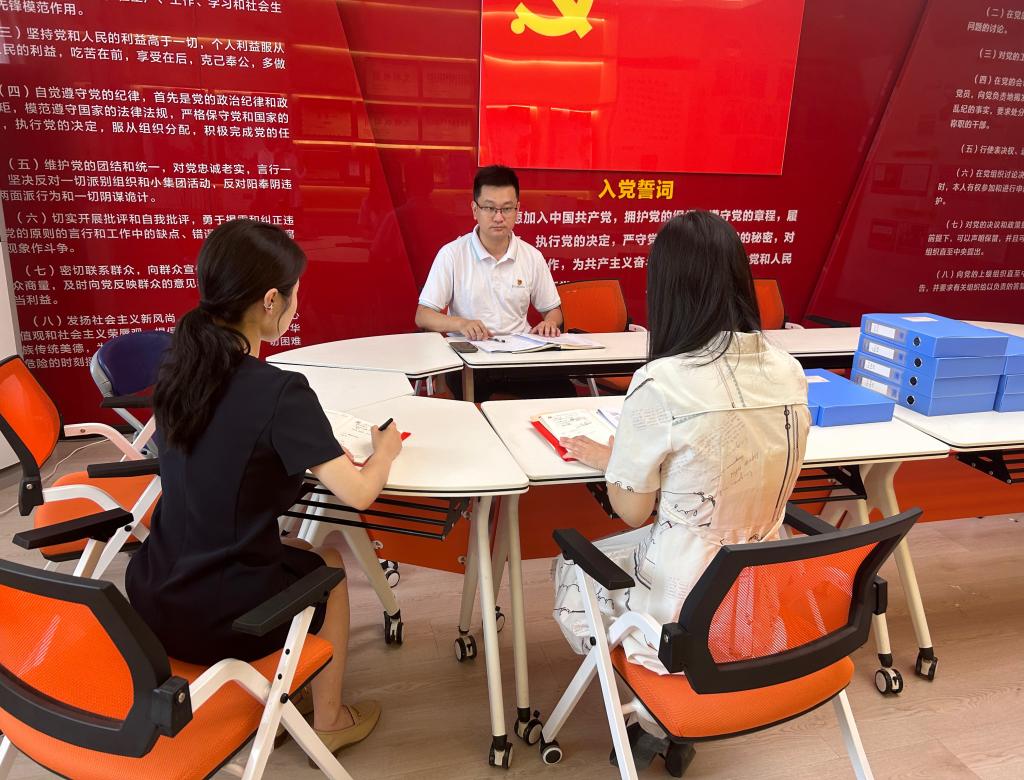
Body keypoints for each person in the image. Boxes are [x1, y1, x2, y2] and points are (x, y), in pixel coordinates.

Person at [126, 219, 402, 755]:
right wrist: (385, 451)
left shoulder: (179, 366)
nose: (297, 305)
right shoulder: (280, 391)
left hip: (154, 595)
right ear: (270, 301)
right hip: (219, 619)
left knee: (295, 546)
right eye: (295, 293)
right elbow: (358, 494)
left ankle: (292, 689)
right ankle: (330, 720)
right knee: (329, 568)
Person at [553, 210, 811, 674]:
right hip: (759, 599)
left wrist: (619, 460)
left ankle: (640, 691)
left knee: (573, 564)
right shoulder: (789, 370)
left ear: (666, 290)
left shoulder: (661, 382)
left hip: (679, 615)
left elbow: (633, 510)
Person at [414, 164, 575, 401]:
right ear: (475, 210)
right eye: (489, 208)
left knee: (564, 392)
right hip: (469, 358)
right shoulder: (452, 254)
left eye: (507, 208)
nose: (499, 217)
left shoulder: (531, 256)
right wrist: (461, 323)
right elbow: (423, 315)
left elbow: (553, 311)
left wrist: (549, 323)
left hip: (519, 357)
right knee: (473, 403)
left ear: (518, 210)